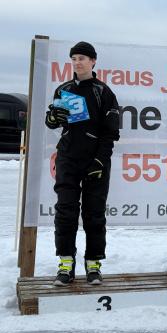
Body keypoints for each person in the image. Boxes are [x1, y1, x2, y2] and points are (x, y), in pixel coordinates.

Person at [45, 41, 120, 285]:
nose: (78, 62)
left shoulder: (103, 92)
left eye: (83, 58)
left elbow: (111, 134)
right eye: (74, 58)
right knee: (65, 212)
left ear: (93, 61)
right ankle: (66, 263)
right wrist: (52, 117)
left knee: (94, 214)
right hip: (68, 157)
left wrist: (99, 159)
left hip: (95, 160)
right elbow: (53, 123)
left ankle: (93, 264)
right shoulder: (63, 90)